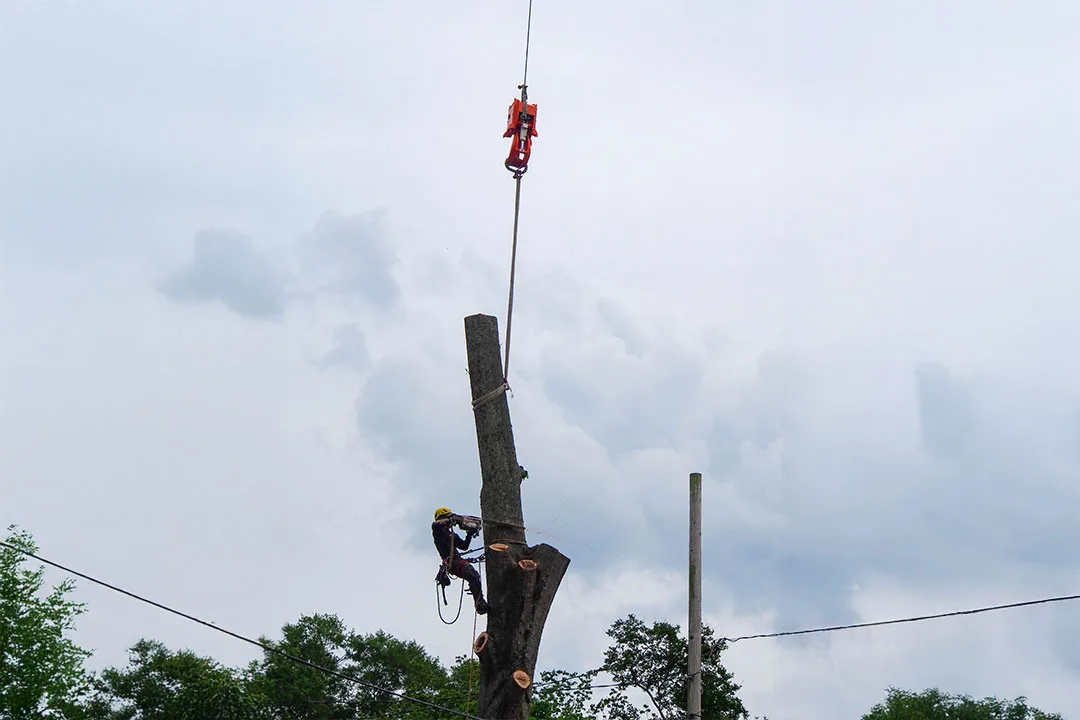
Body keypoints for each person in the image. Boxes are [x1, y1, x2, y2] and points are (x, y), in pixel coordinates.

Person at [432, 507, 489, 615]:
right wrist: (453, 519)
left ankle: (479, 600)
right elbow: (435, 524)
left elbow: (464, 546)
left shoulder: (451, 534)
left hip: (457, 560)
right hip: (452, 563)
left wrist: (469, 534)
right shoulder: (438, 531)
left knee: (474, 576)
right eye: (448, 519)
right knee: (472, 574)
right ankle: (479, 603)